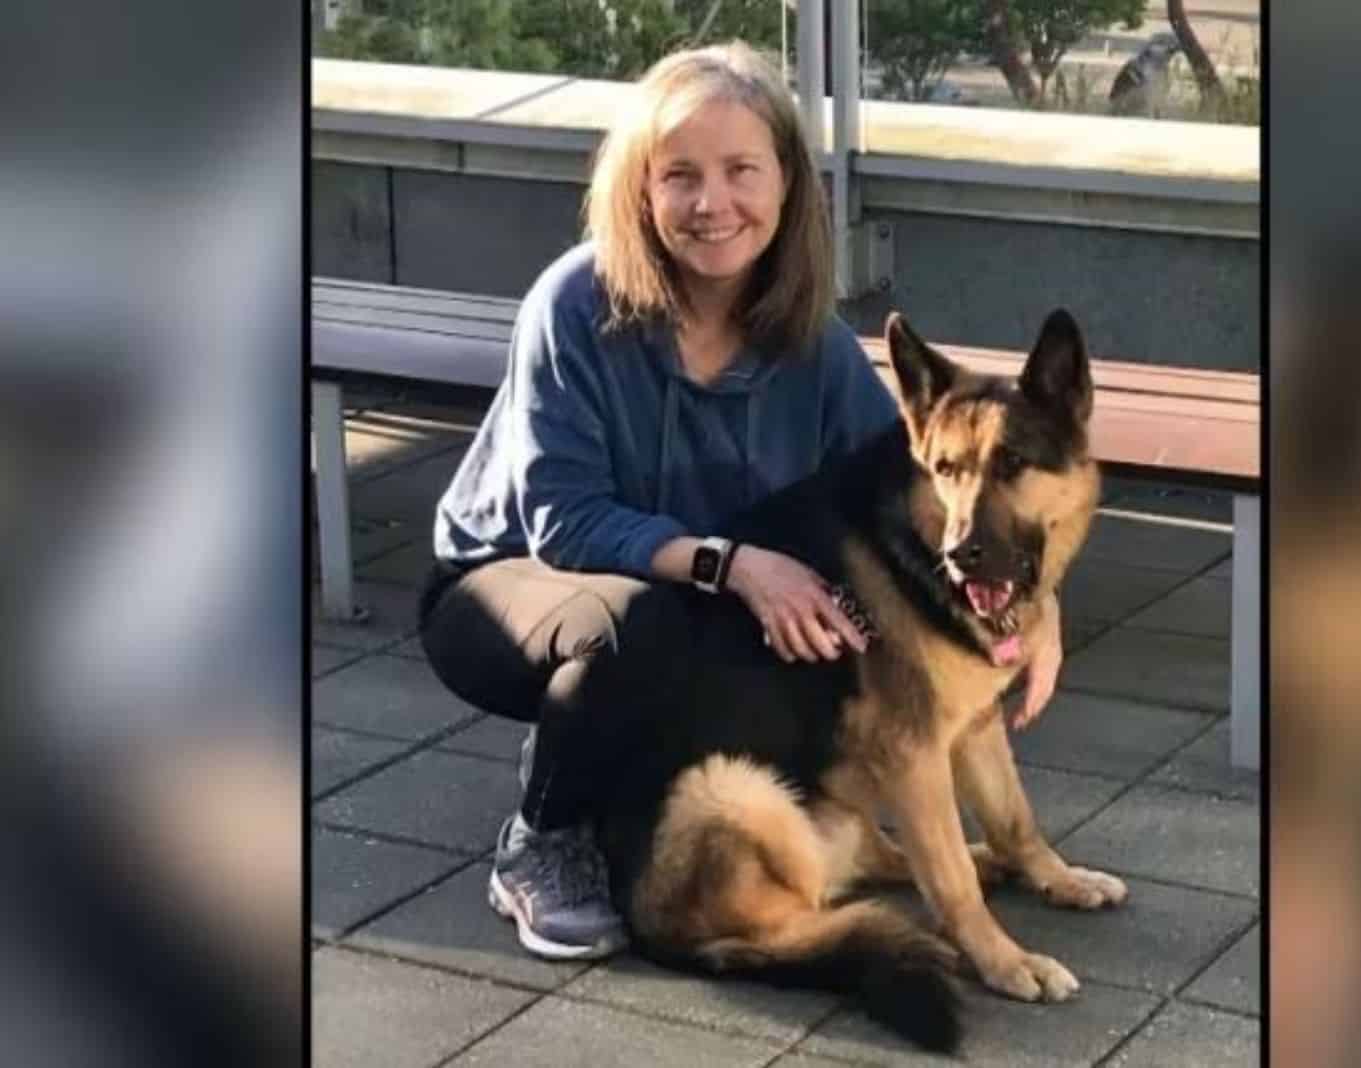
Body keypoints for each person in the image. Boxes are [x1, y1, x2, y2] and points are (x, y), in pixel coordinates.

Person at [416, 41, 1065, 963]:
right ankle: (545, 836)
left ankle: (636, 770)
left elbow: (915, 490)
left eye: (740, 171)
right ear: (639, 188)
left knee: (810, 652)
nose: (711, 203)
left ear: (789, 185)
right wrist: (739, 565)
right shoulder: (574, 305)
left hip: (685, 591)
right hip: (511, 584)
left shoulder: (812, 339)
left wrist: (1037, 605)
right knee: (632, 629)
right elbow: (562, 522)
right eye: (679, 174)